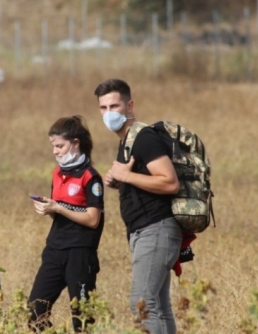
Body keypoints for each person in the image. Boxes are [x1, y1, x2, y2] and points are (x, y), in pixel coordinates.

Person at [93, 79, 181, 334]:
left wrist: (126, 176)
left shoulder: (144, 138)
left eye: (114, 106)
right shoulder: (127, 140)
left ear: (129, 105)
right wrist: (121, 182)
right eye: (103, 108)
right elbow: (147, 182)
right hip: (144, 230)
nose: (109, 114)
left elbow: (169, 183)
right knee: (158, 306)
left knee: (142, 304)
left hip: (156, 228)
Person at [28, 116, 105, 333]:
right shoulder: (57, 173)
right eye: (53, 146)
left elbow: (92, 219)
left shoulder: (91, 177)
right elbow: (62, 213)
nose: (55, 151)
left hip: (80, 253)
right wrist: (49, 208)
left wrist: (59, 208)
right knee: (35, 310)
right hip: (54, 249)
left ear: (75, 143)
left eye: (60, 146)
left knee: (82, 319)